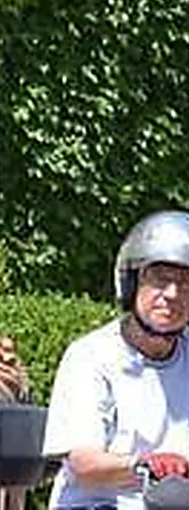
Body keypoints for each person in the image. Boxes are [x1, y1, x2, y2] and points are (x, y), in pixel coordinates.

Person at [44, 210, 189, 508]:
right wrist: (148, 465)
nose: (173, 294)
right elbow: (85, 465)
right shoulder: (91, 357)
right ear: (131, 283)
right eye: (160, 280)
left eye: (187, 284)